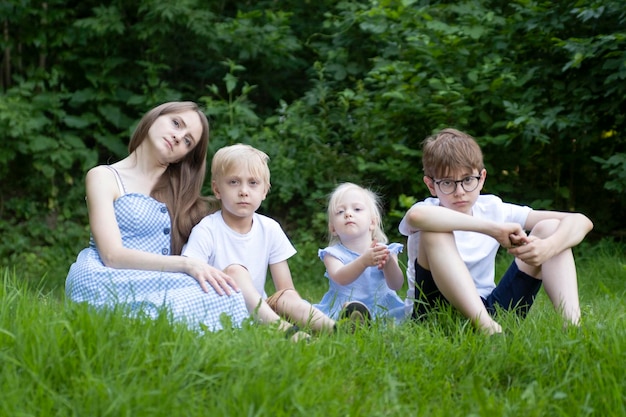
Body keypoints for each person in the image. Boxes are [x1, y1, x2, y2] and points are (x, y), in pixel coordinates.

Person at [65, 101, 249, 332]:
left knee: (226, 293)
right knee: (222, 298)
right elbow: (112, 255)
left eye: (187, 141)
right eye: (176, 123)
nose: (178, 137)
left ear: (183, 156)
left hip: (153, 282)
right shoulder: (104, 176)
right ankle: (139, 320)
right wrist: (186, 265)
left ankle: (138, 322)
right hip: (104, 276)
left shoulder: (180, 195)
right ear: (155, 117)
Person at [399, 128, 593, 334]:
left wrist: (548, 247)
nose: (460, 192)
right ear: (431, 185)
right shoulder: (428, 209)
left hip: (491, 308)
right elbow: (416, 218)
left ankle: (573, 327)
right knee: (435, 230)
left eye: (467, 180)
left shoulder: (493, 208)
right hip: (434, 315)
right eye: (447, 183)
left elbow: (581, 221)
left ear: (481, 178)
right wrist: (494, 230)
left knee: (551, 227)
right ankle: (488, 330)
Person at [182, 143, 336, 336]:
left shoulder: (269, 228)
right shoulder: (207, 229)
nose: (244, 191)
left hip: (260, 310)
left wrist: (291, 306)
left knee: (286, 296)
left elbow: (285, 288)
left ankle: (334, 328)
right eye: (233, 182)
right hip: (218, 306)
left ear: (264, 191)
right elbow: (190, 278)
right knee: (236, 271)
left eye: (253, 183)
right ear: (217, 189)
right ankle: (283, 331)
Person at [313, 183, 406, 323]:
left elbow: (396, 284)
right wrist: (363, 261)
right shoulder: (332, 254)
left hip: (382, 305)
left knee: (400, 317)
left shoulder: (385, 250)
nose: (348, 214)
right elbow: (340, 278)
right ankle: (354, 318)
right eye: (340, 212)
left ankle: (368, 320)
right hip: (344, 305)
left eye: (357, 209)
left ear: (372, 223)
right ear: (333, 228)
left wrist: (389, 263)